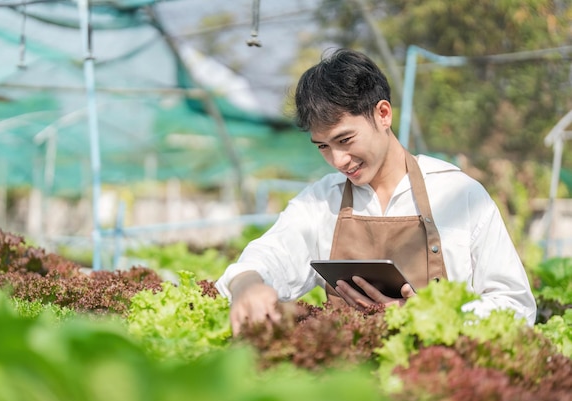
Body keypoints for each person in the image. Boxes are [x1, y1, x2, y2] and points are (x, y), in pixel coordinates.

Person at [215, 48, 536, 335]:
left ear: (383, 114)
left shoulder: (458, 193)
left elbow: (516, 305)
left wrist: (425, 315)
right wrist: (247, 284)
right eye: (323, 146)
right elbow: (270, 255)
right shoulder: (320, 201)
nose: (338, 160)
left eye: (345, 140)